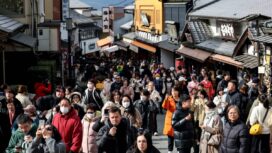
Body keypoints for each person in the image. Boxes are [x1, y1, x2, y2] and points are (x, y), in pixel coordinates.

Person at [162, 86, 180, 153]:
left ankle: (179, 150)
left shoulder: (181, 99)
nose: (174, 92)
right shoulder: (169, 98)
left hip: (179, 120)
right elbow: (164, 107)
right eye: (172, 91)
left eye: (175, 91)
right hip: (170, 120)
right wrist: (166, 100)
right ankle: (170, 151)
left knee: (178, 136)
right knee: (170, 137)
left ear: (178, 92)